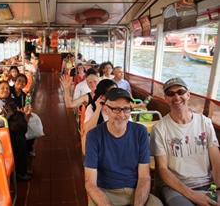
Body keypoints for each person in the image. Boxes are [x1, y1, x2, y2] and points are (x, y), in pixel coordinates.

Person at [84, 88, 163, 206]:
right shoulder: (94, 136)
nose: (122, 115)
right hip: (106, 192)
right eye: (116, 109)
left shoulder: (140, 132)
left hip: (135, 190)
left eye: (126, 109)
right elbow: (90, 183)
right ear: (106, 109)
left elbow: (144, 177)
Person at [150, 77, 220, 206]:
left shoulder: (205, 122)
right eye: (170, 94)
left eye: (180, 92)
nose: (176, 97)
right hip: (176, 187)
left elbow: (216, 160)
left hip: (208, 184)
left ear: (188, 95)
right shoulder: (159, 129)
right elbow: (162, 169)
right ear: (166, 98)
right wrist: (192, 194)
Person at [0, 71, 32, 181]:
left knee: (21, 139)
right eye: (2, 88)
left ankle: (21, 170)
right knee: (19, 140)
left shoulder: (6, 103)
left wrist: (25, 113)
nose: (5, 90)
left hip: (3, 130)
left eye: (7, 88)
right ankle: (20, 172)